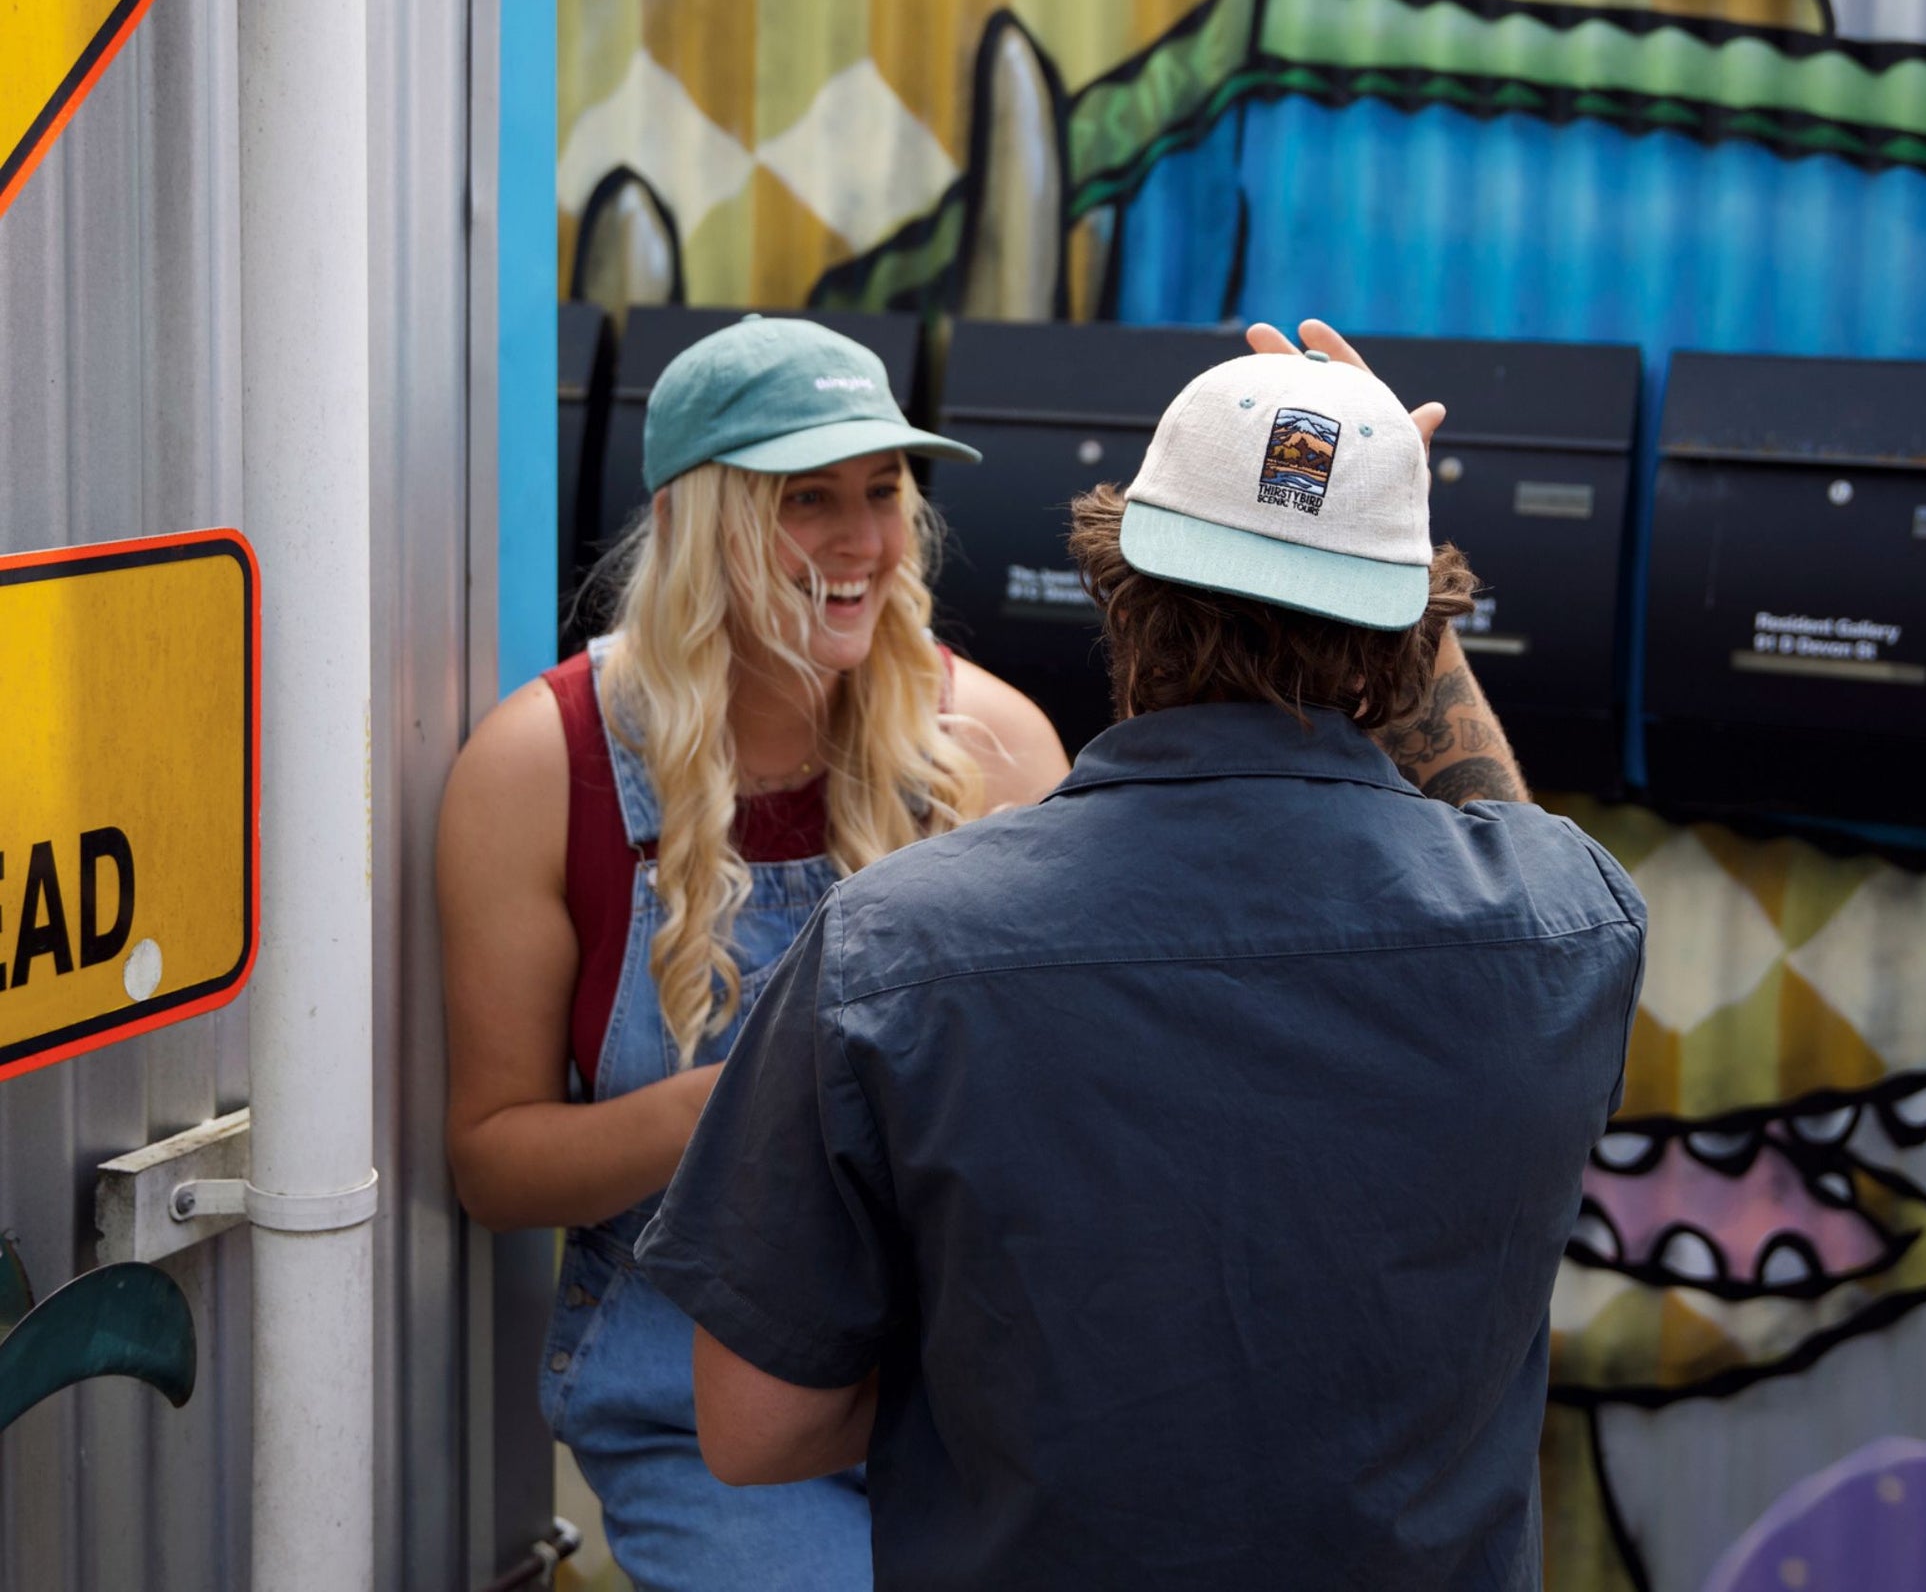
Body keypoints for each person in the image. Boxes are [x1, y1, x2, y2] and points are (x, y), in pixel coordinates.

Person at [633, 319, 1649, 1590]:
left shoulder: (893, 944)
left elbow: (751, 1427)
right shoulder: (1566, 928)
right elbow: (1507, 837)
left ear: (1118, 590)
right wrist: (1374, 530)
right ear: (1411, 630)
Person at [436, 315, 1069, 1591]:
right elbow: (493, 1163)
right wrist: (740, 1105)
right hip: (690, 1417)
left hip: (962, 1397)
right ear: (690, 520)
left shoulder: (994, 750)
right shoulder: (540, 764)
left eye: (881, 490)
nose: (862, 540)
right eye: (805, 498)